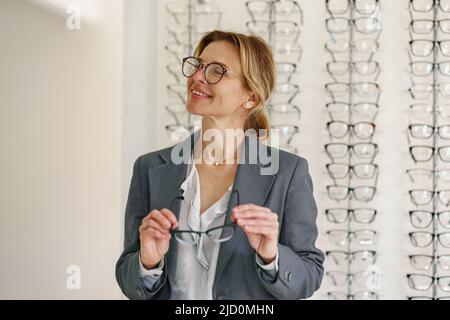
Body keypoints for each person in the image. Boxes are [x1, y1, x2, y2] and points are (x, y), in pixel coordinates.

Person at [115, 30, 324, 300]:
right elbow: (127, 276)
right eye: (198, 66)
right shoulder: (149, 168)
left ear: (251, 98)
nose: (197, 77)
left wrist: (272, 256)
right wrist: (147, 263)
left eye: (217, 71)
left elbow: (309, 275)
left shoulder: (287, 173)